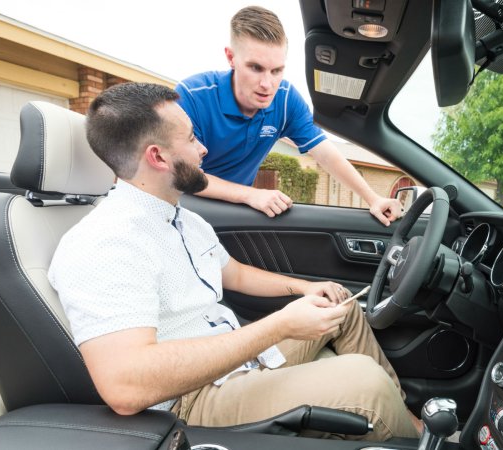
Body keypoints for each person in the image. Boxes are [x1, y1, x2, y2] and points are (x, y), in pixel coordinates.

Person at [47, 82, 422, 441]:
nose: (204, 149)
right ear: (157, 157)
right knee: (364, 382)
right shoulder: (103, 242)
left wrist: (305, 288)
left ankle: (406, 422)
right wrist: (281, 326)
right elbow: (125, 386)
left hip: (234, 360)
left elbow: (235, 273)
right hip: (192, 399)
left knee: (338, 303)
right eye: (192, 139)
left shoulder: (183, 218)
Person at [175, 6, 402, 226]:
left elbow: (324, 153)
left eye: (276, 71)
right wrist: (250, 195)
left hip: (234, 214)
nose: (267, 84)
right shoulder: (192, 97)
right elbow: (185, 176)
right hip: (184, 210)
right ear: (230, 57)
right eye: (256, 67)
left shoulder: (285, 100)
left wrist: (373, 199)